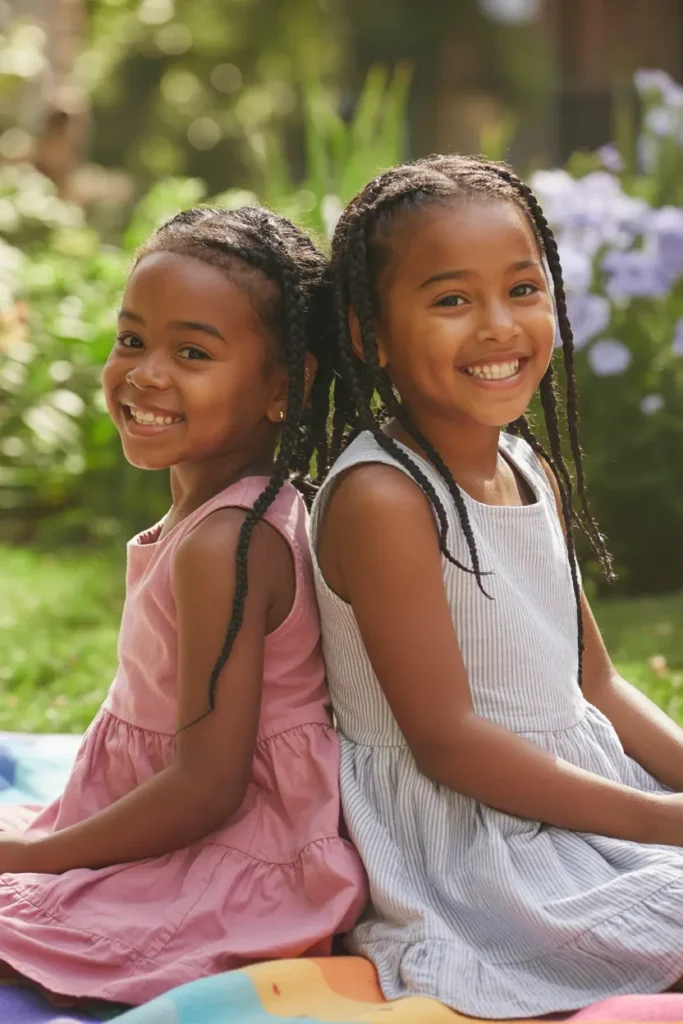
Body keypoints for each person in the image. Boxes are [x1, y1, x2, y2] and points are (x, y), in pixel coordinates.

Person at [307, 155, 683, 1020]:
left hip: (579, 806)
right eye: (450, 300)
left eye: (522, 289)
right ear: (369, 333)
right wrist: (665, 824)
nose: (498, 326)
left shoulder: (526, 467)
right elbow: (448, 744)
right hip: (474, 852)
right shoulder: (384, 497)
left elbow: (595, 684)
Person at [0, 205, 366, 1008]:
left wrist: (31, 856)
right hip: (162, 807)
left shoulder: (226, 543)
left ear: (285, 384)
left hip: (228, 849)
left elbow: (208, 789)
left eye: (192, 352)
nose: (145, 373)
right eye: (132, 339)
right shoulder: (225, 514)